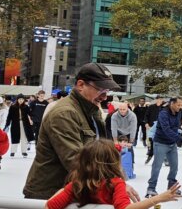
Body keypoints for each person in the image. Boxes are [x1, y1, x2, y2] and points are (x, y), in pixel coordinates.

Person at [24, 63, 138, 201]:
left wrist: (118, 179)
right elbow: (76, 160)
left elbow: (101, 154)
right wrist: (113, 184)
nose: (104, 97)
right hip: (50, 195)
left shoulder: (91, 111)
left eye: (107, 91)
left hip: (77, 193)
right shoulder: (64, 114)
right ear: (80, 85)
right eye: (100, 89)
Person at [44, 139, 179, 209]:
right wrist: (157, 199)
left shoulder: (77, 184)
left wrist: (64, 190)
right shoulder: (116, 184)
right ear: (113, 161)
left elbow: (49, 208)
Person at [146, 97, 182, 198]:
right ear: (172, 103)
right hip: (160, 143)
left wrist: (178, 137)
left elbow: (175, 127)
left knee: (174, 166)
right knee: (157, 166)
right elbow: (166, 129)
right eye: (178, 105)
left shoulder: (178, 113)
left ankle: (171, 186)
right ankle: (151, 188)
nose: (180, 107)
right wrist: (178, 138)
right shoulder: (163, 113)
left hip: (172, 144)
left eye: (181, 105)